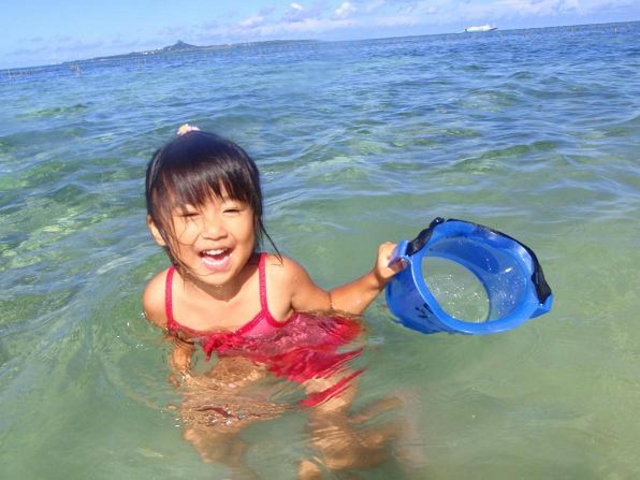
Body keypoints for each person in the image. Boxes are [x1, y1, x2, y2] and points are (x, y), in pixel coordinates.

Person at [142, 125, 407, 478]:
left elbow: (331, 310)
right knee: (200, 433)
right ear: (158, 229)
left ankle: (392, 424)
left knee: (337, 448)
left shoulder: (278, 278)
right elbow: (179, 341)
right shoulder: (160, 298)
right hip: (245, 366)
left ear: (256, 215)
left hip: (312, 358)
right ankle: (244, 470)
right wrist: (187, 382)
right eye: (190, 215)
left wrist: (376, 278)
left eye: (231, 210)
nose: (214, 230)